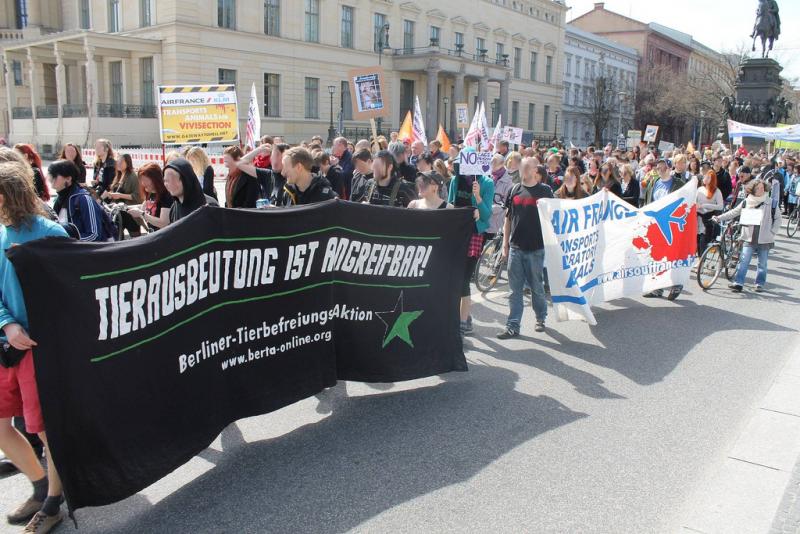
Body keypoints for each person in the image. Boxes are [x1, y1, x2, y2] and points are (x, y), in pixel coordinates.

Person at [0, 160, 68, 533]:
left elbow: (71, 291)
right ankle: (41, 485)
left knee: (44, 430)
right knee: (1, 426)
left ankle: (54, 502)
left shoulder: (51, 234)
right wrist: (6, 323)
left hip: (39, 350)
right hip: (5, 345)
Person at [497, 160, 553, 339]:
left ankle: (540, 317)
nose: (523, 170)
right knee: (514, 290)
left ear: (535, 170)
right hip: (515, 248)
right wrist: (505, 245)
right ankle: (513, 325)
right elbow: (508, 219)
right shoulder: (514, 190)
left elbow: (559, 212)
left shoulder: (545, 191)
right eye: (522, 167)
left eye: (527, 167)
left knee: (537, 287)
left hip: (536, 249)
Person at [448, 155, 493, 337]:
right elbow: (450, 204)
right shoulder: (454, 181)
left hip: (474, 234)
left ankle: (463, 320)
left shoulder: (487, 183)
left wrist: (477, 197)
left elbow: (486, 215)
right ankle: (461, 316)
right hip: (456, 233)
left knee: (464, 280)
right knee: (453, 279)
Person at [714, 179, 780, 292]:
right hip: (748, 237)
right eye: (758, 188)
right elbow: (734, 212)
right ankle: (738, 283)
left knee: (762, 264)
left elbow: (778, 219)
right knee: (744, 261)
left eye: (762, 187)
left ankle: (759, 283)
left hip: (764, 239)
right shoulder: (746, 201)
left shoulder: (771, 202)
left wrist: (772, 232)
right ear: (752, 189)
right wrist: (719, 218)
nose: (761, 189)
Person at [643, 159, 686, 300]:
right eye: (658, 168)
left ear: (669, 169)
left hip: (670, 224)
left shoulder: (678, 184)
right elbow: (647, 201)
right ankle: (657, 288)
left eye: (663, 168)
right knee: (657, 256)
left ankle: (677, 284)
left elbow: (685, 202)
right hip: (655, 224)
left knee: (671, 256)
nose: (660, 170)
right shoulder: (654, 182)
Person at [49, 160, 116, 242]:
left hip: (87, 253)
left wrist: (68, 242)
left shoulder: (84, 199)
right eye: (50, 175)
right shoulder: (59, 199)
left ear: (68, 179)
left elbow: (94, 235)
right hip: (71, 252)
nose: (50, 179)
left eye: (54, 175)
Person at [164, 158, 217, 223]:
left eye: (172, 179)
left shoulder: (209, 206)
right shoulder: (174, 208)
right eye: (165, 180)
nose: (166, 184)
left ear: (186, 180)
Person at [127, 163, 173, 232]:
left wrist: (142, 214)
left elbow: (164, 223)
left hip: (163, 236)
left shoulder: (166, 195)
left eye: (145, 180)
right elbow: (143, 207)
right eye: (141, 180)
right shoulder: (150, 192)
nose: (142, 183)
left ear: (155, 179)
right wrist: (124, 207)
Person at [696, 170, 724, 252]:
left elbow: (720, 206)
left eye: (708, 178)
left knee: (703, 239)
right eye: (705, 177)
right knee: (697, 238)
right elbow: (695, 201)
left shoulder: (717, 191)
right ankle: (699, 258)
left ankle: (701, 259)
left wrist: (705, 205)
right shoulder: (700, 189)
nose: (705, 179)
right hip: (698, 216)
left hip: (708, 217)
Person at [487, 153, 513, 240]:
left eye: (495, 164)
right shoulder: (487, 176)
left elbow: (505, 203)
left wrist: (488, 209)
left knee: (493, 249)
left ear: (502, 165)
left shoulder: (509, 180)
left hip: (497, 221)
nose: (492, 167)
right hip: (484, 220)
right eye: (491, 164)